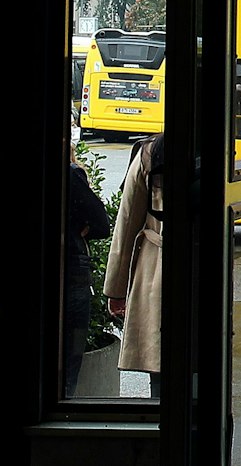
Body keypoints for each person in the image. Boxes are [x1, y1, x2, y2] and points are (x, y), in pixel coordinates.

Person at [105, 134, 165, 396]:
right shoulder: (225, 149)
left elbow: (127, 223)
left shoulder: (150, 153)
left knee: (160, 357)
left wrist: (116, 290)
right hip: (208, 271)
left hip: (157, 270)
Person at [63, 139, 110, 397]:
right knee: (69, 361)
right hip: (72, 272)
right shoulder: (72, 176)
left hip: (66, 272)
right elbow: (101, 223)